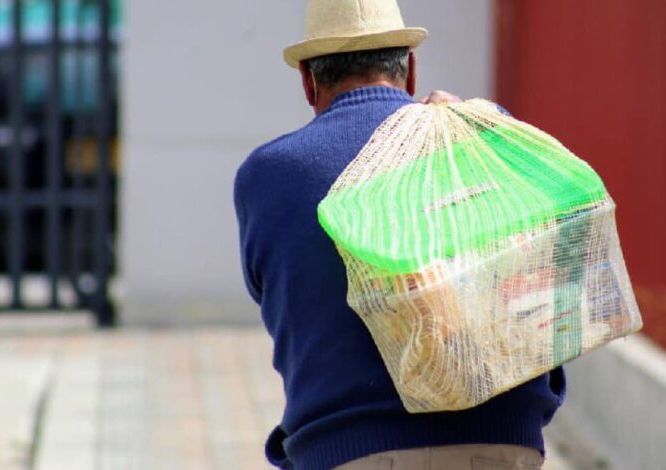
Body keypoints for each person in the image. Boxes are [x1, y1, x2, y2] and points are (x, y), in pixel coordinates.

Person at [233, 1, 565, 468]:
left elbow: (272, 294)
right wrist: (483, 121)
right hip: (502, 442)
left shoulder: (267, 176)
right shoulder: (487, 142)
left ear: (308, 81)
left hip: (349, 449)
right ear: (410, 70)